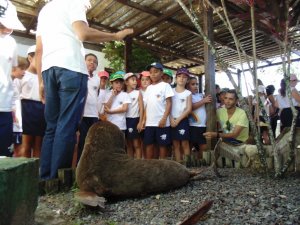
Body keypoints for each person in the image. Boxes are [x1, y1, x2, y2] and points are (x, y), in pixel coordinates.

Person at [35, 0, 133, 179]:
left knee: (52, 127)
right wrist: (116, 36)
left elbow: (39, 50)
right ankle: (58, 180)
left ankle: (45, 178)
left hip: (49, 70)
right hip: (71, 69)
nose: (89, 4)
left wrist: (40, 81)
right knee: (66, 126)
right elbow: (82, 33)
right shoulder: (74, 2)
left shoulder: (46, 10)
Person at [0, 0, 26, 156]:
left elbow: (10, 70)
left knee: (4, 154)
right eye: (3, 25)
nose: (9, 29)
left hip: (4, 105)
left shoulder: (11, 43)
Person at [13, 45, 46, 158]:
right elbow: (16, 96)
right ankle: (23, 170)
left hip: (41, 109)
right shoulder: (23, 75)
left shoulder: (44, 77)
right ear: (30, 58)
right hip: (27, 109)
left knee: (38, 144)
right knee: (26, 144)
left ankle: (36, 172)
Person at [142, 62, 174, 159]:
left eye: (156, 72)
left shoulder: (165, 86)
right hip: (149, 123)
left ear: (161, 73)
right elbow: (146, 106)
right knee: (149, 145)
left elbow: (169, 103)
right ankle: (150, 167)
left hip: (162, 122)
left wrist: (164, 118)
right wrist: (143, 120)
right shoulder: (148, 88)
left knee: (162, 146)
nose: (153, 74)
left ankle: (163, 168)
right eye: (151, 72)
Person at [77, 53, 100, 163]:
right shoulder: (79, 75)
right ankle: (79, 166)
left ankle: (91, 165)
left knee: (93, 142)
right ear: (83, 62)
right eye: (89, 60)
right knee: (82, 141)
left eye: (95, 61)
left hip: (94, 115)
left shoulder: (97, 79)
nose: (92, 62)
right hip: (82, 115)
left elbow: (98, 95)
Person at [170, 68, 192, 164]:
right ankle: (178, 164)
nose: (181, 79)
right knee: (175, 144)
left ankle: (187, 164)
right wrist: (171, 119)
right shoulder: (170, 91)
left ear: (187, 80)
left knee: (185, 143)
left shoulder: (188, 93)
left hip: (182, 120)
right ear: (176, 78)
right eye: (179, 76)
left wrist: (178, 120)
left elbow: (189, 109)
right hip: (171, 120)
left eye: (184, 77)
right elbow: (167, 106)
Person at [187, 76, 212, 160]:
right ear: (187, 85)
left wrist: (203, 98)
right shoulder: (188, 95)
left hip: (202, 125)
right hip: (193, 125)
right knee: (190, 144)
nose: (196, 86)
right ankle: (189, 161)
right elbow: (191, 107)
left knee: (203, 146)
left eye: (197, 84)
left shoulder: (200, 95)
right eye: (193, 84)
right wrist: (204, 101)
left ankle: (200, 161)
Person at [11, 56, 28, 156]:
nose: (24, 72)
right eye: (21, 69)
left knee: (18, 149)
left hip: (17, 124)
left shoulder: (15, 83)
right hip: (11, 121)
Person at [124, 72, 143, 159]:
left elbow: (141, 108)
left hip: (135, 120)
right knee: (128, 144)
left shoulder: (138, 93)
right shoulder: (123, 94)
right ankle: (130, 164)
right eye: (133, 80)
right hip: (125, 120)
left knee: (137, 144)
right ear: (126, 82)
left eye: (136, 80)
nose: (135, 82)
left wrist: (140, 121)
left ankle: (138, 164)